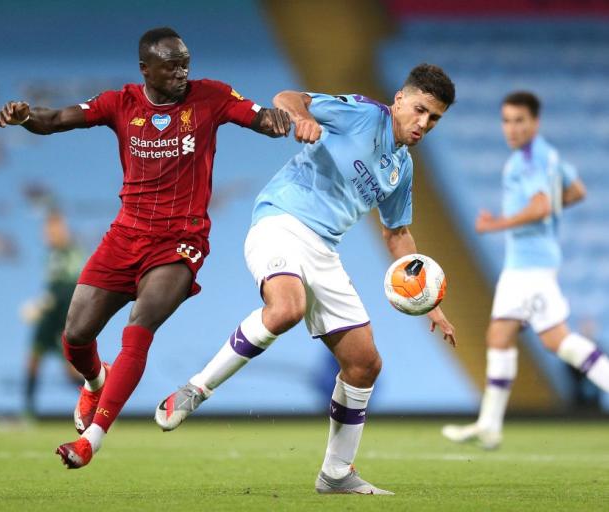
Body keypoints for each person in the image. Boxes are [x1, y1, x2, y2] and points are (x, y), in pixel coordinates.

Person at [0, 27, 290, 468]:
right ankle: (96, 382)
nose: (181, 71)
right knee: (75, 336)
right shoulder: (121, 103)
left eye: (185, 62)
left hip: (180, 241)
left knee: (138, 328)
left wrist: (280, 119)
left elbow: (261, 118)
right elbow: (54, 120)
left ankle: (92, 440)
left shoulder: (210, 96)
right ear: (145, 69)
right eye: (171, 64)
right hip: (125, 236)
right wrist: (23, 117)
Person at [155, 63, 457, 495]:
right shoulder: (363, 114)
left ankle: (336, 473)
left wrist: (432, 303)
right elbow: (288, 97)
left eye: (435, 119)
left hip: (324, 251)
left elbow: (396, 235)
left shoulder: (401, 169)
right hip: (281, 221)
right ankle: (195, 389)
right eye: (421, 111)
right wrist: (304, 119)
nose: (424, 124)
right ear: (400, 100)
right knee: (287, 308)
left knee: (365, 364)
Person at [442, 91, 609, 450]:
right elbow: (576, 191)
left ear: (535, 122)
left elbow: (540, 205)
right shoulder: (547, 155)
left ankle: (489, 424)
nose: (512, 128)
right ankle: (489, 424)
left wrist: (497, 224)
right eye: (506, 120)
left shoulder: (527, 161)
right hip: (532, 263)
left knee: (556, 341)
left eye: (519, 120)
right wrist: (546, 211)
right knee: (504, 337)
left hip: (528, 267)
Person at [21, 209, 83, 418]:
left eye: (53, 229)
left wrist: (45, 303)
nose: (48, 234)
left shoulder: (70, 253)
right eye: (47, 230)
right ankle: (28, 414)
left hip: (62, 319)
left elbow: (70, 288)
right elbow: (53, 287)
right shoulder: (52, 255)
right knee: (33, 360)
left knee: (71, 371)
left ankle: (101, 409)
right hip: (49, 318)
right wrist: (44, 303)